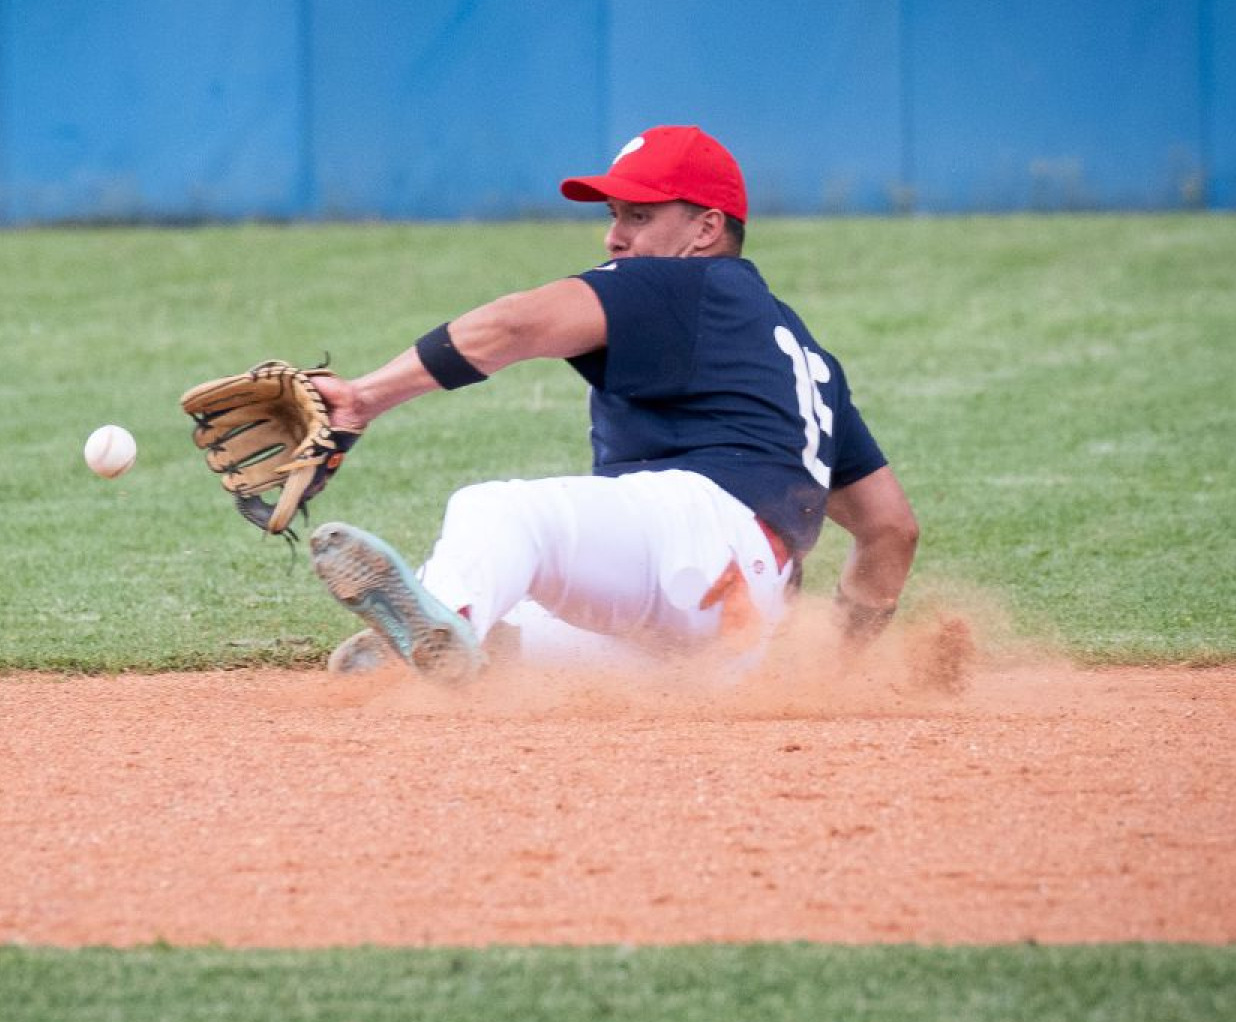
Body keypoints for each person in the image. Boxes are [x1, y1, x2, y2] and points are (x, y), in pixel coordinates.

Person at [307, 124, 918, 681]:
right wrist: (833, 664)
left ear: (705, 230)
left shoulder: (687, 283)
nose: (615, 236)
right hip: (734, 633)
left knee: (497, 514)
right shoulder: (801, 357)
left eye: (640, 216)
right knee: (516, 623)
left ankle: (442, 635)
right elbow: (891, 529)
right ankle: (473, 646)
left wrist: (364, 397)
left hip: (697, 542)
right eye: (615, 213)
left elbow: (516, 325)